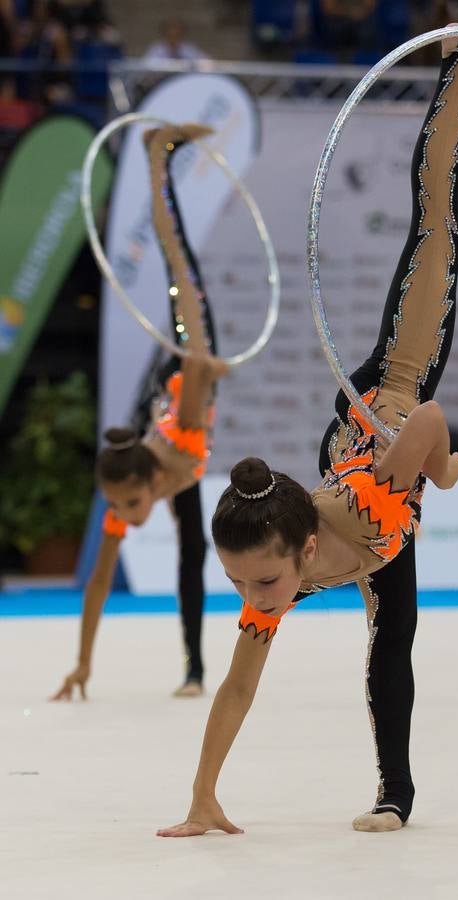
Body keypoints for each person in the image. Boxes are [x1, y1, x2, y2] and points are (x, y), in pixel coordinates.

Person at [157, 28, 458, 838]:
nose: (257, 603)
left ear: (299, 555)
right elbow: (237, 689)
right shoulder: (281, 572)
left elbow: (430, 418)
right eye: (243, 586)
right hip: (365, 475)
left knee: (435, 224)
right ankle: (394, 796)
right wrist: (202, 796)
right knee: (393, 637)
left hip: (396, 382)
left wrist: (437, 472)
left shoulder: (371, 500)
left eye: (260, 586)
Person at [52, 124, 228, 702]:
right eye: (120, 507)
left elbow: (199, 365)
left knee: (178, 258)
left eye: (128, 505)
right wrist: (82, 663)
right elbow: (99, 581)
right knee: (193, 552)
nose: (125, 518)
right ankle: (195, 668)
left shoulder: (182, 438)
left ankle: (159, 154)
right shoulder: (134, 485)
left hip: (191, 346)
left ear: (152, 483)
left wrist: (209, 372)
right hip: (182, 379)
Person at [143, 18, 208, 62]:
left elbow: (206, 63)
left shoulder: (190, 49)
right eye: (170, 35)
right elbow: (147, 67)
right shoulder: (156, 49)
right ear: (165, 34)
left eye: (177, 35)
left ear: (182, 35)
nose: (173, 39)